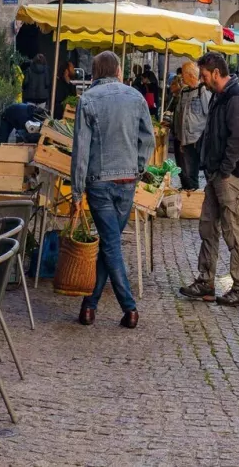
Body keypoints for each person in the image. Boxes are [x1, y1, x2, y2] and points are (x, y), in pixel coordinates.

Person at [71, 50, 155, 329]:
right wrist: (138, 167)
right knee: (110, 243)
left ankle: (129, 308)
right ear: (118, 70)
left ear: (94, 73)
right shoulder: (136, 97)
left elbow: (81, 150)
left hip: (98, 181)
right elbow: (148, 139)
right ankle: (89, 305)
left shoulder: (88, 100)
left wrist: (76, 190)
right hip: (126, 181)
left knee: (110, 244)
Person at [180, 52, 239, 307]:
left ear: (215, 72)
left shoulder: (235, 97)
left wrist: (225, 169)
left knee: (232, 229)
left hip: (228, 175)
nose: (202, 80)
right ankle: (206, 281)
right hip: (215, 173)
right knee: (208, 226)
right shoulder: (220, 96)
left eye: (203, 75)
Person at [170, 60, 208, 192]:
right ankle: (186, 192)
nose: (182, 77)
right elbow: (179, 114)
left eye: (184, 74)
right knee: (183, 169)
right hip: (183, 138)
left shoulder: (203, 91)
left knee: (192, 170)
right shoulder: (184, 92)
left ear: (190, 75)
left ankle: (193, 197)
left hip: (196, 138)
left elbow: (208, 115)